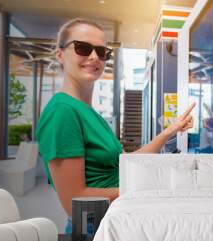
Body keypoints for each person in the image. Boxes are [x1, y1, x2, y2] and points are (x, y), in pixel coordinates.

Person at [36, 18, 195, 225]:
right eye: (82, 48)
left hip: (119, 218)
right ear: (60, 54)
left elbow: (126, 163)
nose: (94, 57)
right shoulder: (63, 111)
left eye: (102, 52)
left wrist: (169, 132)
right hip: (98, 229)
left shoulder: (88, 112)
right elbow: (74, 202)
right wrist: (149, 188)